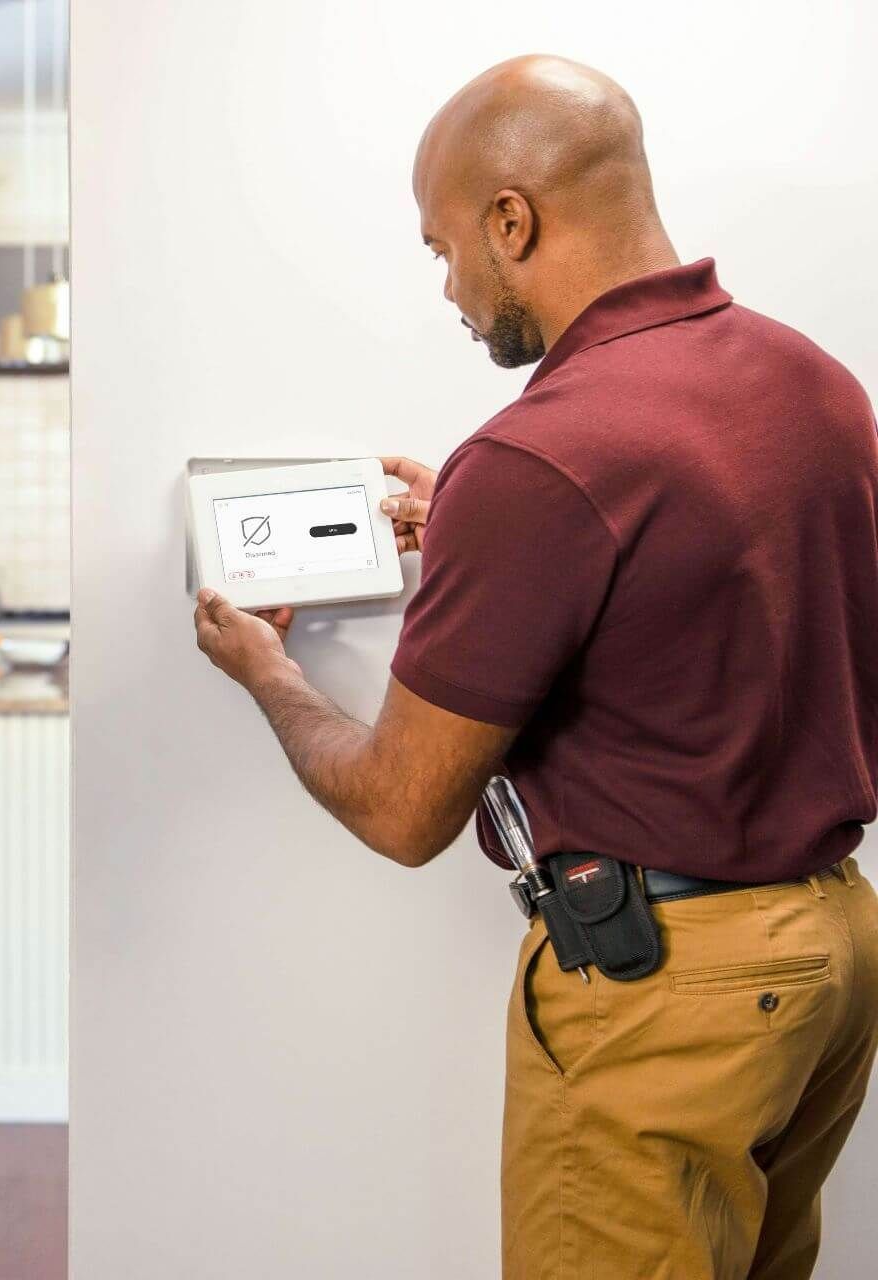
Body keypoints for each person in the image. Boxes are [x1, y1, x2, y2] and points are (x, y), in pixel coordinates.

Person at [190, 55, 878, 1279]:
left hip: (666, 993)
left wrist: (269, 676)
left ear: (514, 219)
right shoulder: (816, 384)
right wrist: (486, 518)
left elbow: (406, 810)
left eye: (445, 244)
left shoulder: (545, 457)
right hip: (830, 956)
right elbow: (710, 567)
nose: (449, 285)